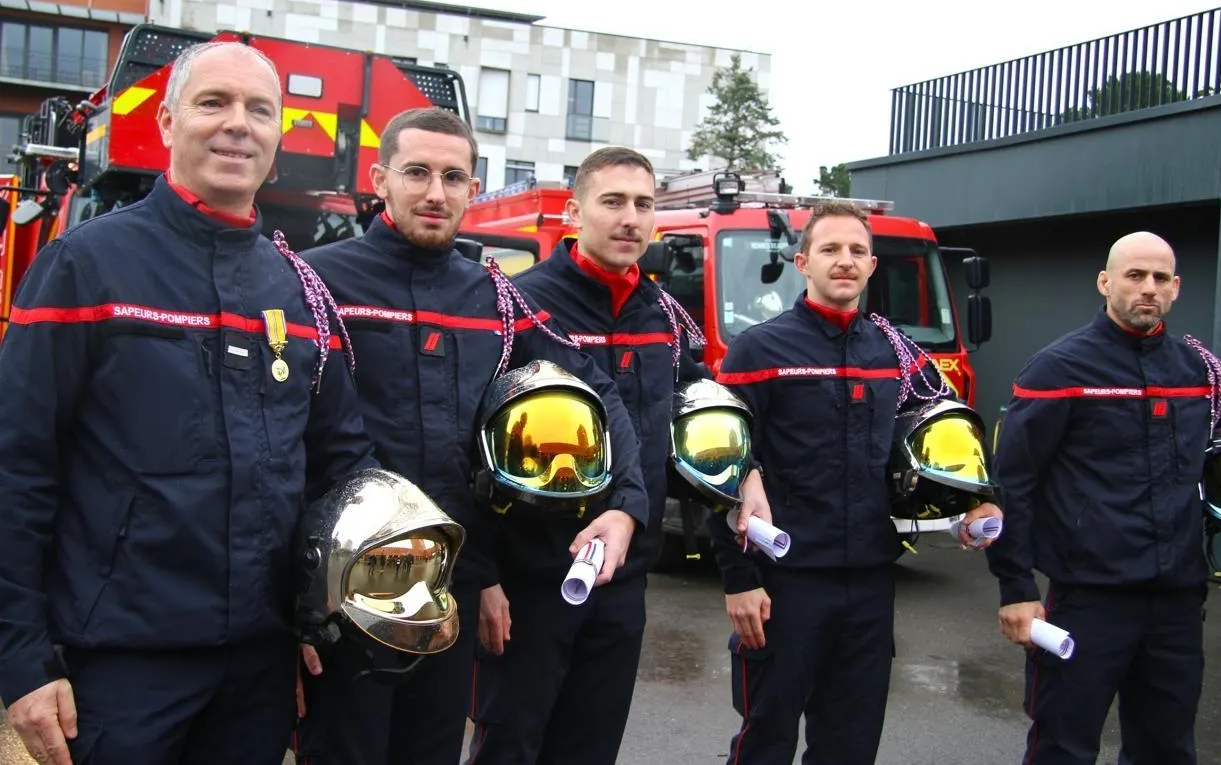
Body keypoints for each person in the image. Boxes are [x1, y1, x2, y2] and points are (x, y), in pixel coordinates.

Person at [0, 40, 378, 765]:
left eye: (259, 110)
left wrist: (318, 613)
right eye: (214, 103)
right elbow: (17, 466)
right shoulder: (85, 266)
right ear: (168, 123)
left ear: (276, 138)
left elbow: (338, 464)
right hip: (120, 665)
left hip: (258, 668)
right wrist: (21, 657)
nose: (238, 123)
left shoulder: (297, 292)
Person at [294, 110, 650, 765]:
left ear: (473, 188)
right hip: (340, 599)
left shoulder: (495, 298)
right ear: (379, 178)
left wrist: (626, 504)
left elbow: (593, 388)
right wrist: (291, 610)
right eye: (417, 172)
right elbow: (276, 443)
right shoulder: (313, 283)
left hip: (445, 595)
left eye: (453, 177)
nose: (436, 192)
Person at [467, 146, 771, 765]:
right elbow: (468, 439)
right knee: (510, 746)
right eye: (612, 202)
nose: (631, 218)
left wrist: (747, 475)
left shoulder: (661, 313)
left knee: (591, 746)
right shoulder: (518, 306)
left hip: (624, 577)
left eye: (643, 204)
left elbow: (698, 403)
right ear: (574, 212)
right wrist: (483, 576)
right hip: (531, 577)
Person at [707, 200, 1003, 765]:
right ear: (802, 262)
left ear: (871, 265)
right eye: (830, 249)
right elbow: (722, 466)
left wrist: (977, 501)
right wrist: (738, 580)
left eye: (857, 251)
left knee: (850, 747)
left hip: (868, 583)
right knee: (764, 741)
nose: (844, 260)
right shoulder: (757, 351)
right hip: (785, 582)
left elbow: (945, 431)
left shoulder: (896, 352)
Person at [985, 231, 1221, 765]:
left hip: (1176, 600)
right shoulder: (1058, 368)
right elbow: (1013, 482)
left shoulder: (1199, 371)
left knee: (1167, 749)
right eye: (1135, 275)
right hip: (1088, 599)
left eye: (1161, 278)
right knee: (1063, 748)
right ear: (1105, 282)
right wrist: (1016, 587)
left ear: (1176, 288)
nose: (1148, 288)